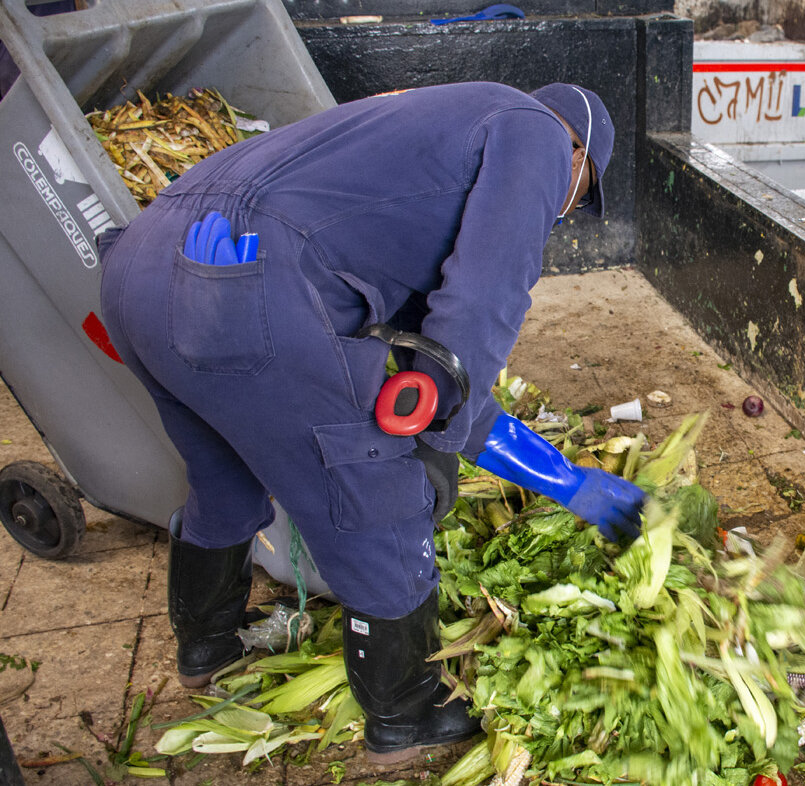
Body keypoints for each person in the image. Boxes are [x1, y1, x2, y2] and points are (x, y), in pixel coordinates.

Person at [97, 82, 647, 764]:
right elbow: (483, 302)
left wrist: (562, 478)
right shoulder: (535, 131)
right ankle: (406, 710)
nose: (563, 213)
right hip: (248, 287)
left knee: (224, 478)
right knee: (375, 499)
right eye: (578, 194)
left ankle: (207, 645)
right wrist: (444, 413)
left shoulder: (425, 136)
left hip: (140, 267)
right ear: (577, 155)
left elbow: (438, 371)